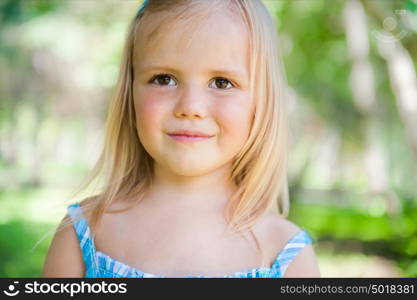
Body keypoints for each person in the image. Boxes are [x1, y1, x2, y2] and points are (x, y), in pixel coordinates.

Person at [42, 0, 320, 278]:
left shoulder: (284, 254)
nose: (191, 107)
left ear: (261, 101)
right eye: (164, 79)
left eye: (222, 82)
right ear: (130, 94)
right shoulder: (85, 232)